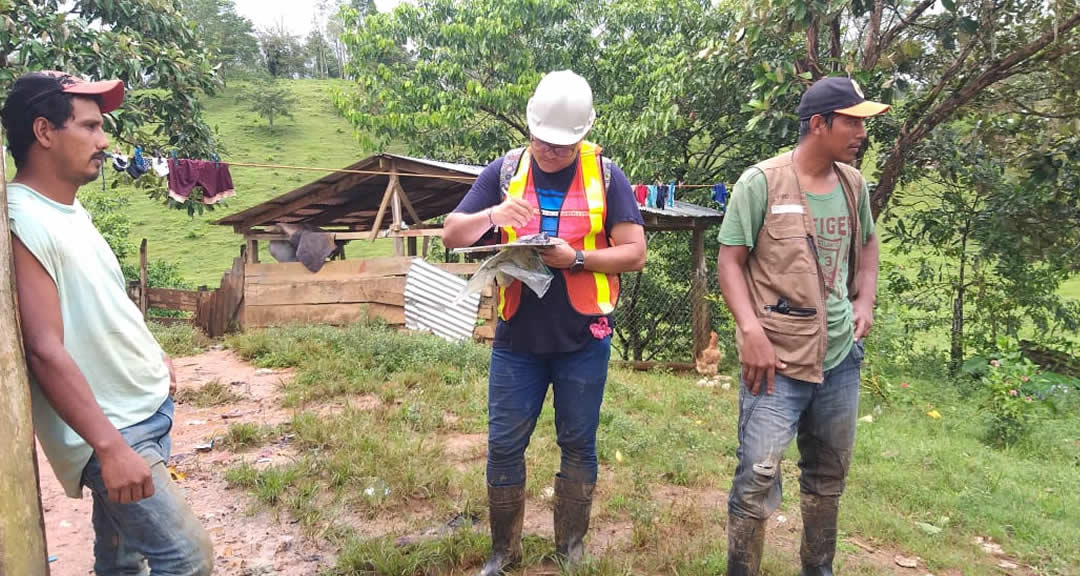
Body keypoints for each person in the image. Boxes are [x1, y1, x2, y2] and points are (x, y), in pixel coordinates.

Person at [3, 71, 213, 575]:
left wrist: (151, 354)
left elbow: (99, 302)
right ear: (44, 131)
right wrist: (109, 447)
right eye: (91, 127)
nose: (104, 141)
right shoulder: (19, 220)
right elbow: (43, 349)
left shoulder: (68, 211)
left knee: (123, 562)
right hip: (115, 429)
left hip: (142, 411)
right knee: (187, 558)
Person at [442, 70, 646, 574]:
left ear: (581, 136)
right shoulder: (505, 170)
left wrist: (575, 259)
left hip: (583, 337)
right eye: (544, 143)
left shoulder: (607, 175)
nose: (552, 153)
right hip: (518, 338)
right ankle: (503, 553)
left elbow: (635, 252)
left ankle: (570, 549)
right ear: (530, 129)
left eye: (563, 146)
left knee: (578, 441)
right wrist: (494, 214)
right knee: (504, 442)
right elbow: (451, 234)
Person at [715, 77, 887, 576]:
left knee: (828, 478)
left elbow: (869, 244)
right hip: (775, 362)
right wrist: (750, 331)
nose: (861, 132)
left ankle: (819, 569)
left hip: (840, 360)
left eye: (863, 122)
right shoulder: (762, 183)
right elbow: (731, 262)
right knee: (757, 477)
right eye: (852, 121)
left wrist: (865, 300)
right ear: (819, 124)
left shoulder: (854, 185)